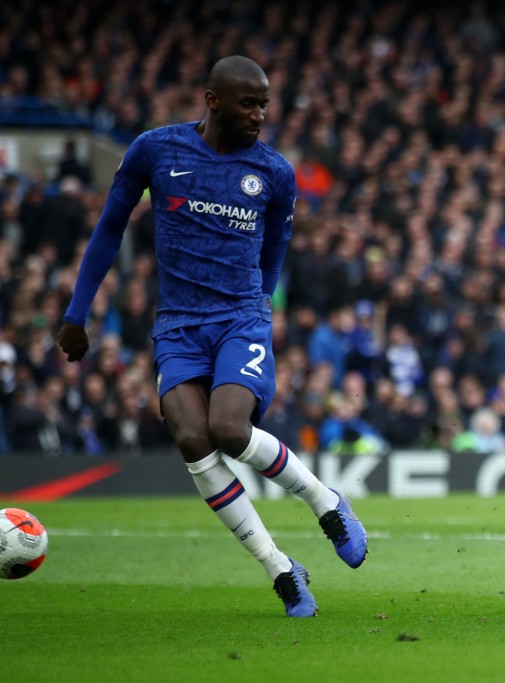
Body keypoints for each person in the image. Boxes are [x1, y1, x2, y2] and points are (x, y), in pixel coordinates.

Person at [56, 56, 367, 618]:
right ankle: (281, 569)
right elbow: (108, 230)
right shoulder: (156, 151)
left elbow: (274, 251)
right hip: (177, 325)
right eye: (248, 103)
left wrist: (260, 308)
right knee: (193, 441)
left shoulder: (275, 172)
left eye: (264, 104)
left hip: (240, 319)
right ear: (212, 99)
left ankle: (326, 503)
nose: (259, 114)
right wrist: (77, 314)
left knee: (228, 428)